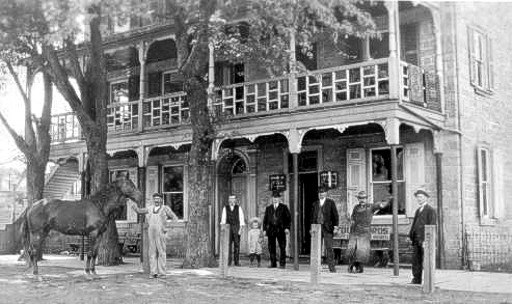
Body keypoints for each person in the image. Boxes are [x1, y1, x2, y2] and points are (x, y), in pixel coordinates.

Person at [131, 193, 178, 279]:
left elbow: (175, 218)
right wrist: (133, 206)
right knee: (152, 252)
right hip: (151, 233)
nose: (156, 200)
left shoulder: (165, 208)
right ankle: (153, 272)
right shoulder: (150, 208)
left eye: (158, 199)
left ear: (161, 200)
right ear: (153, 200)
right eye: (155, 199)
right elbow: (139, 211)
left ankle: (162, 273)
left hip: (161, 233)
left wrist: (168, 228)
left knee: (161, 252)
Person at [346, 190, 389, 273]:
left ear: (366, 199)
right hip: (354, 231)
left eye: (364, 198)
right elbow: (352, 219)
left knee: (362, 250)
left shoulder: (371, 206)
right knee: (352, 249)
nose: (362, 200)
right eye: (360, 198)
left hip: (364, 232)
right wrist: (350, 219)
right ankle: (352, 265)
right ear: (358, 199)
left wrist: (386, 200)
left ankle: (359, 267)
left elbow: (380, 205)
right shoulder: (356, 207)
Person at [408, 188, 437, 284]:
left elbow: (432, 225)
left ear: (426, 198)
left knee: (427, 260)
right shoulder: (418, 210)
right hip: (416, 239)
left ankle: (429, 281)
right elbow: (415, 224)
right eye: (417, 197)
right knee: (416, 259)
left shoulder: (430, 210)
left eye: (420, 197)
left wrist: (426, 240)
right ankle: (416, 279)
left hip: (425, 239)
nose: (418, 199)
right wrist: (411, 235)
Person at [310, 186, 339, 273]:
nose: (321, 194)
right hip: (317, 228)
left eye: (323, 193)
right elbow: (311, 217)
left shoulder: (331, 203)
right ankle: (317, 267)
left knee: (329, 248)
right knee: (316, 248)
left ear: (326, 193)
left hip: (327, 228)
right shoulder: (315, 204)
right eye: (320, 193)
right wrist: (311, 228)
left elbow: (335, 215)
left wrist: (336, 227)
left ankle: (332, 268)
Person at [263, 190, 291, 269]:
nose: (275, 199)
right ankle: (273, 263)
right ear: (272, 198)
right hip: (271, 230)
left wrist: (287, 228)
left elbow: (288, 219)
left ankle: (282, 264)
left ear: (279, 198)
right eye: (274, 198)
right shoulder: (269, 208)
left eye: (277, 197)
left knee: (282, 246)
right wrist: (264, 229)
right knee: (271, 247)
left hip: (281, 229)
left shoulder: (284, 207)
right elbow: (265, 219)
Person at [220, 194, 246, 266]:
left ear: (235, 200)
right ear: (228, 200)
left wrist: (240, 230)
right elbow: (223, 220)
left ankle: (236, 262)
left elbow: (241, 219)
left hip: (236, 228)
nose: (231, 200)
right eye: (230, 199)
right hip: (228, 229)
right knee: (228, 246)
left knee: (237, 246)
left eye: (233, 198)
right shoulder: (225, 208)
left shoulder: (239, 208)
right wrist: (223, 229)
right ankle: (228, 262)